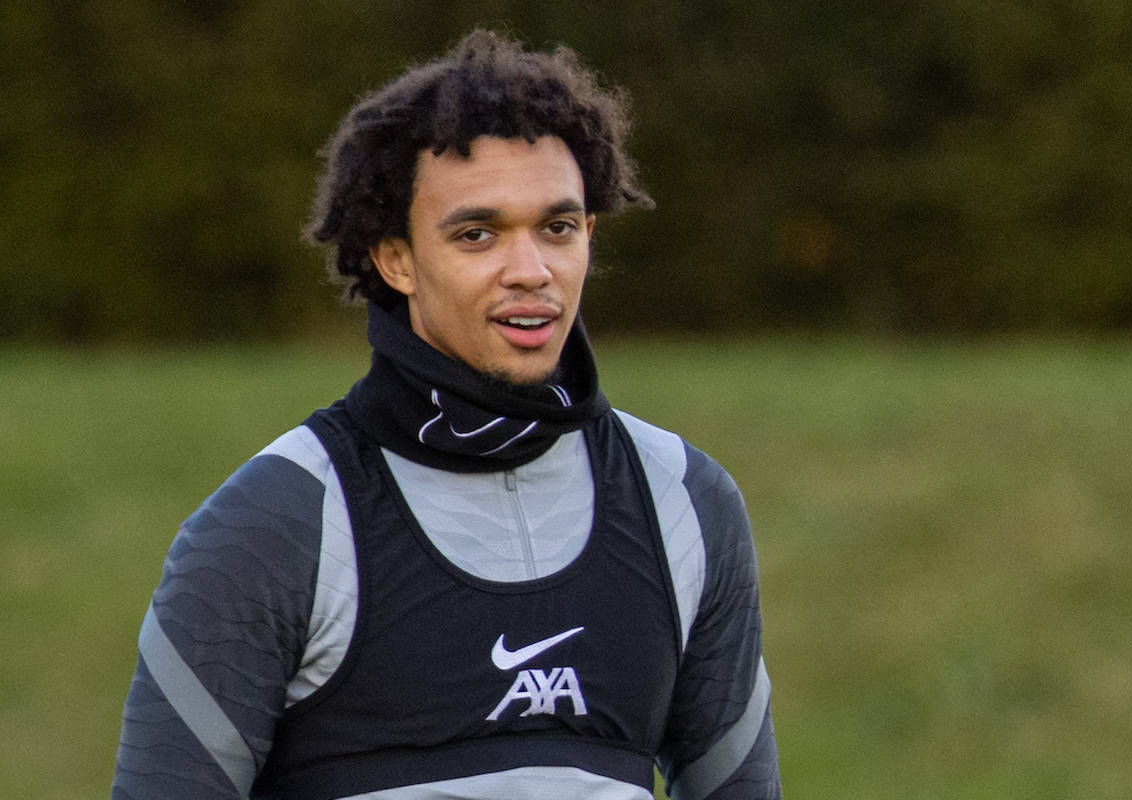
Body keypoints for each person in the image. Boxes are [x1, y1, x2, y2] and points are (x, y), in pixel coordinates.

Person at [111, 28, 781, 800]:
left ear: (589, 238)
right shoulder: (277, 522)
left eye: (557, 228)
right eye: (477, 234)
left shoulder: (687, 501)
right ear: (395, 257)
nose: (530, 271)